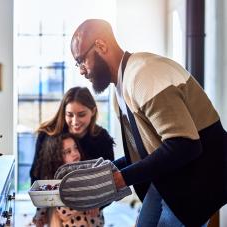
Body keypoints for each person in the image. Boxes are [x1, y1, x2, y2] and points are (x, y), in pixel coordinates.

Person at [54, 19, 227, 227]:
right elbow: (141, 153)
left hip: (198, 178)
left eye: (82, 60)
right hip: (170, 175)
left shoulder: (145, 74)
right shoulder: (120, 87)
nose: (81, 70)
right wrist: (105, 174)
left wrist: (118, 180)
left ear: (101, 46)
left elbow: (184, 145)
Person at [30, 86, 115, 185]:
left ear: (93, 111)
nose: (75, 121)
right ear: (63, 113)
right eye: (69, 115)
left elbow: (110, 178)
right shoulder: (46, 134)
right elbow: (35, 175)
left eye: (81, 114)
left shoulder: (102, 138)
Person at [32, 133, 105, 227]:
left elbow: (102, 191)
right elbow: (41, 204)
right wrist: (38, 219)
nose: (74, 153)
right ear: (56, 158)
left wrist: (97, 203)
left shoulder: (87, 172)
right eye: (67, 152)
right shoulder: (52, 183)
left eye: (75, 148)